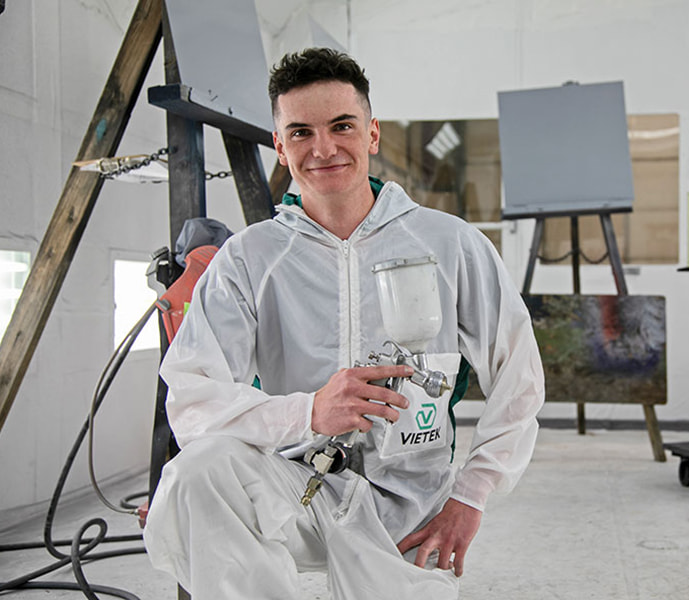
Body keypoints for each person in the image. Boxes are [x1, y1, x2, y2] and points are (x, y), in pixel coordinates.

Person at [143, 47, 544, 600]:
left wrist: (470, 496)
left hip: (410, 506)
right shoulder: (249, 258)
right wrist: (309, 411)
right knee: (198, 471)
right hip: (292, 490)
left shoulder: (450, 244)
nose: (324, 148)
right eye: (301, 132)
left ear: (372, 134)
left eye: (342, 126)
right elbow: (191, 399)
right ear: (280, 146)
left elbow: (519, 375)